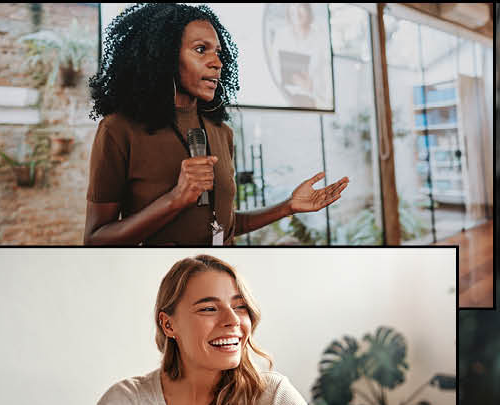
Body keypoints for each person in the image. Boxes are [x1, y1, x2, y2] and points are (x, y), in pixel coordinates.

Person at [34, 255, 371, 405]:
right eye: (209, 308)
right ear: (169, 325)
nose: (232, 320)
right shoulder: (129, 400)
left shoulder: (271, 392)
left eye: (239, 306)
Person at [86, 3, 347, 246]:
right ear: (163, 54)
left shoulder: (222, 132)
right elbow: (96, 239)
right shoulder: (118, 130)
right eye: (201, 50)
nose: (217, 63)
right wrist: (175, 200)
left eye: (218, 53)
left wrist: (287, 206)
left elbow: (224, 225)